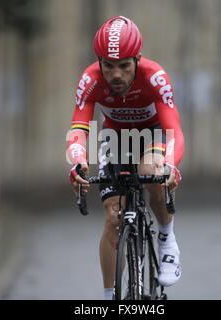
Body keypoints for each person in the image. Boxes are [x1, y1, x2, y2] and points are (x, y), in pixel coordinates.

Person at [66, 16, 185, 300]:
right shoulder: (90, 80)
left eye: (124, 66)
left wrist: (170, 166)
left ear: (137, 60)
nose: (116, 74)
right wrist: (77, 160)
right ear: (99, 63)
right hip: (115, 137)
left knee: (151, 169)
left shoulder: (154, 76)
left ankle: (167, 238)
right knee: (112, 215)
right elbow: (78, 128)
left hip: (154, 134)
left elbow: (174, 131)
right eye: (108, 66)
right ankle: (110, 298)